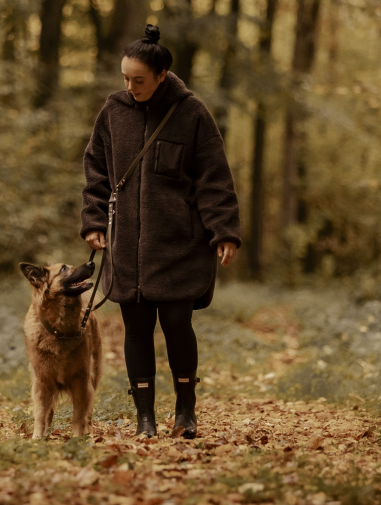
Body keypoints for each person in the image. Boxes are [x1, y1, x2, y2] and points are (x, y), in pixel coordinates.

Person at [80, 24, 242, 439]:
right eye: (125, 78)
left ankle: (186, 411)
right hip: (126, 246)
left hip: (180, 245)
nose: (130, 87)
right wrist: (94, 222)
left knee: (176, 324)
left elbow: (214, 178)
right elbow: (96, 172)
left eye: (139, 80)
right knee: (136, 330)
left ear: (162, 75)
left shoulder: (192, 113)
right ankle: (145, 418)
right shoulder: (113, 111)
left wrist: (224, 230)